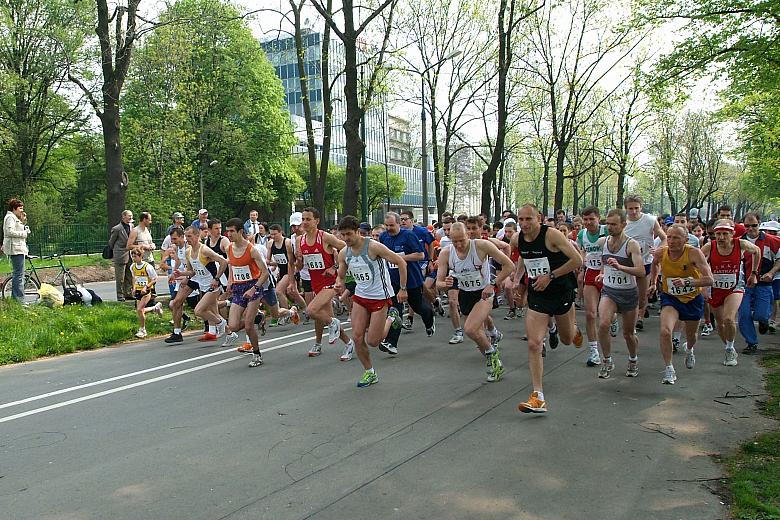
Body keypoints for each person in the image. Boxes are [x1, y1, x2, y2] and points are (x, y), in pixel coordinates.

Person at [512, 204, 583, 413]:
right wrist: (517, 280)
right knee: (534, 343)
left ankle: (575, 330)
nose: (524, 223)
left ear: (539, 218)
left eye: (528, 219)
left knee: (567, 339)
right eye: (521, 219)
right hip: (538, 294)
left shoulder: (552, 235)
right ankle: (538, 396)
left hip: (561, 292)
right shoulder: (518, 238)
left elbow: (577, 260)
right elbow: (524, 258)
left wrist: (550, 276)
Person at [437, 223, 514, 382]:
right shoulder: (446, 253)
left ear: (468, 235)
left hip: (484, 292)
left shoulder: (481, 246)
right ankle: (495, 356)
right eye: (455, 241)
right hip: (465, 294)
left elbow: (509, 265)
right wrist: (445, 283)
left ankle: (493, 356)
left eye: (462, 240)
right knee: (478, 336)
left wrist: (492, 284)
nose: (459, 245)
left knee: (470, 329)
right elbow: (438, 282)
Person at [335, 216, 406, 387]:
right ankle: (369, 372)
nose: (346, 238)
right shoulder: (344, 253)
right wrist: (339, 283)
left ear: (358, 231)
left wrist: (403, 289)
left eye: (349, 234)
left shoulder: (373, 247)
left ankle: (391, 317)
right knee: (357, 337)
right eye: (343, 235)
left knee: (373, 341)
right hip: (361, 296)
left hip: (380, 296)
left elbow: (400, 262)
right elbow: (341, 275)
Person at [649, 224, 714, 384]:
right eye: (669, 237)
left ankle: (690, 349)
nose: (671, 241)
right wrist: (653, 283)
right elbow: (655, 263)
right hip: (670, 298)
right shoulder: (661, 252)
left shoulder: (694, 253)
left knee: (691, 336)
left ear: (685, 239)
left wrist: (688, 282)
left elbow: (709, 280)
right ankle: (669, 369)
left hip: (692, 299)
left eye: (676, 238)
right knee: (665, 331)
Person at [295, 207, 354, 359]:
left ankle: (329, 330)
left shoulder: (325, 237)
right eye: (303, 219)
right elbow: (299, 267)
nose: (304, 222)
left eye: (308, 219)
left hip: (330, 282)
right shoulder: (299, 240)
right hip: (315, 283)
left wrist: (335, 267)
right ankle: (347, 343)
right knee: (323, 316)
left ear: (317, 221)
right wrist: (299, 260)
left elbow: (346, 249)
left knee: (311, 311)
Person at [701, 219, 760, 366]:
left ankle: (729, 349)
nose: (721, 237)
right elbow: (697, 262)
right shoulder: (709, 246)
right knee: (721, 324)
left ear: (732, 234)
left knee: (728, 318)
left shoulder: (741, 244)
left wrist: (753, 273)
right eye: (718, 234)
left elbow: (757, 251)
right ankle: (729, 346)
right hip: (715, 288)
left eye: (725, 234)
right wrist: (702, 284)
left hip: (735, 287)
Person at [595, 209, 645, 378]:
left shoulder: (632, 245)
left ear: (623, 225)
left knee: (628, 334)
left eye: (614, 224)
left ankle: (633, 359)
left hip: (628, 293)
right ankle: (607, 360)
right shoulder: (603, 242)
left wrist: (620, 267)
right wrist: (602, 273)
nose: (609, 227)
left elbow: (641, 271)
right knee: (603, 324)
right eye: (608, 224)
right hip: (609, 291)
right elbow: (604, 262)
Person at [379, 212, 436, 355]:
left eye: (392, 225)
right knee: (394, 310)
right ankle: (392, 343)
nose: (389, 228)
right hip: (393, 280)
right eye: (386, 225)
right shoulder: (383, 237)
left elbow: (420, 255)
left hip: (411, 278)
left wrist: (400, 258)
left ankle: (429, 320)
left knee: (418, 306)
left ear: (399, 224)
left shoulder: (409, 236)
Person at [222, 218, 272, 367]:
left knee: (248, 326)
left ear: (240, 232)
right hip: (238, 288)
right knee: (233, 326)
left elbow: (265, 273)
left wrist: (254, 288)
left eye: (232, 231)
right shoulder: (229, 248)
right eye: (227, 231)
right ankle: (258, 318)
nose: (229, 234)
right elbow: (231, 265)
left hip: (253, 287)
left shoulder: (252, 250)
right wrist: (230, 280)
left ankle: (257, 354)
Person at [738, 212, 780, 354]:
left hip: (763, 283)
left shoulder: (771, 241)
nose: (750, 229)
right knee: (744, 315)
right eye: (747, 226)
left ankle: (763, 321)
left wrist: (771, 273)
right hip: (743, 285)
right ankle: (751, 343)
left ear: (759, 224)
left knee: (761, 314)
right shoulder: (738, 242)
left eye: (754, 225)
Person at [624, 195, 666, 331]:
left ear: (641, 207)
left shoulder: (650, 220)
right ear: (626, 209)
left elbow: (664, 238)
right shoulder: (623, 222)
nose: (634, 211)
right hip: (628, 262)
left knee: (642, 297)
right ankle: (635, 319)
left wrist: (659, 249)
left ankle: (640, 316)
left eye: (636, 208)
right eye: (630, 208)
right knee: (630, 293)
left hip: (646, 262)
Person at [577, 205, 609, 367]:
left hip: (609, 274)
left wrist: (604, 270)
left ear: (598, 218)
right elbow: (581, 250)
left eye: (592, 219)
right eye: (586, 219)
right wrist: (582, 262)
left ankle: (613, 319)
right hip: (591, 273)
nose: (588, 222)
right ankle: (594, 352)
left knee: (606, 314)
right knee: (590, 314)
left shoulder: (606, 230)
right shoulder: (582, 234)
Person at [130, 247, 163, 338]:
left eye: (135, 256)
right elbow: (134, 278)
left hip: (147, 291)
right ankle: (155, 308)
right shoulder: (132, 267)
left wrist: (146, 287)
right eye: (132, 256)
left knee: (139, 310)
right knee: (140, 311)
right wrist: (134, 288)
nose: (134, 258)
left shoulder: (147, 267)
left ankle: (143, 330)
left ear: (141, 256)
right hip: (138, 291)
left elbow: (154, 279)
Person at [3, 198, 30, 302]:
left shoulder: (14, 218)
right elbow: (9, 232)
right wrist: (24, 234)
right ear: (14, 208)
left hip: (18, 248)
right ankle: (19, 300)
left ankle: (17, 299)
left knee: (19, 274)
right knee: (18, 275)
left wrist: (23, 221)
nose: (22, 210)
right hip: (15, 248)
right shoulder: (10, 217)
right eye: (20, 208)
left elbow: (18, 228)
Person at [108, 209, 135, 301]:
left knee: (129, 276)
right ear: (123, 216)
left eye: (131, 216)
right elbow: (111, 242)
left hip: (130, 255)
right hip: (120, 255)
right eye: (129, 215)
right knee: (120, 277)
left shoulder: (132, 226)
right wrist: (117, 251)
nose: (131, 217)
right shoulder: (117, 229)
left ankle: (128, 293)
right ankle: (120, 295)